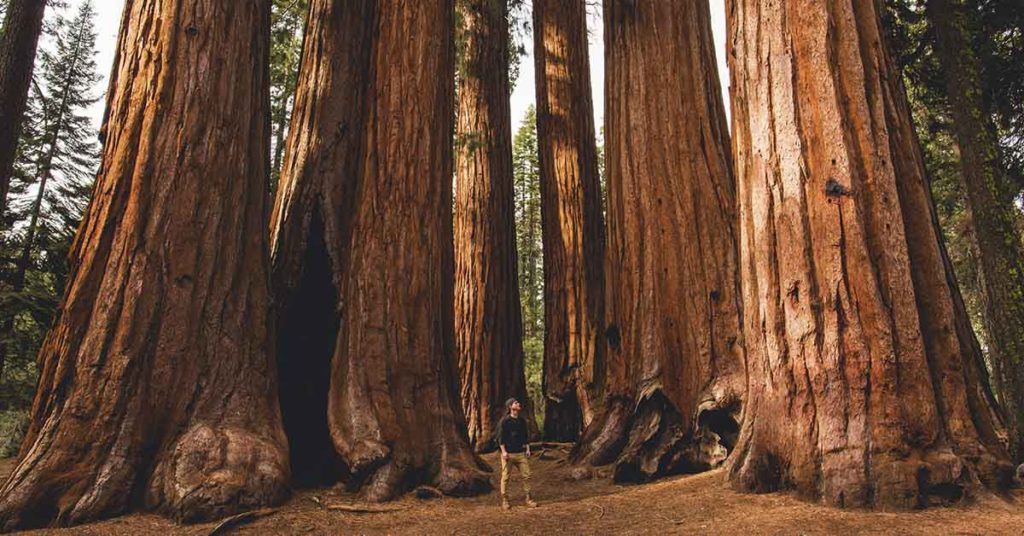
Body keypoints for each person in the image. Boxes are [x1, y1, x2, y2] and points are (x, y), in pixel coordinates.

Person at [497, 397, 536, 510]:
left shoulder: (521, 420)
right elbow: (500, 438)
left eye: (518, 402)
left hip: (520, 453)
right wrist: (504, 452)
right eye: (516, 403)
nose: (518, 404)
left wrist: (528, 448)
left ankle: (529, 498)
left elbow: (525, 436)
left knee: (527, 475)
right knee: (505, 477)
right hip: (508, 454)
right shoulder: (504, 421)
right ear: (510, 407)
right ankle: (505, 499)